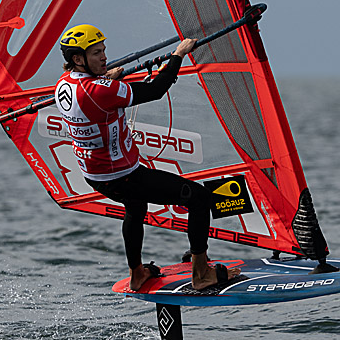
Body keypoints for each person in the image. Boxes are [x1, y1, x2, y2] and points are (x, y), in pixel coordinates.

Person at [53, 23, 241, 292]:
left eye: (104, 50)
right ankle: (201, 274)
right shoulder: (99, 91)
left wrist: (109, 78)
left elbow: (92, 97)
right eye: (96, 53)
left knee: (136, 206)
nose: (104, 57)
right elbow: (154, 90)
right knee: (198, 198)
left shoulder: (64, 85)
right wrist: (179, 54)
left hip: (96, 175)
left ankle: (137, 273)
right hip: (124, 176)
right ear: (78, 59)